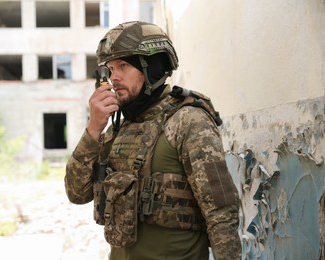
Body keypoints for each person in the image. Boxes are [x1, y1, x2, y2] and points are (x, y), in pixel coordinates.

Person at [65, 21, 242, 260]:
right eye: (110, 68)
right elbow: (77, 193)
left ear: (153, 68)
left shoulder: (188, 120)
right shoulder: (117, 128)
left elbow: (221, 213)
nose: (113, 77)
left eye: (123, 66)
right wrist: (94, 128)